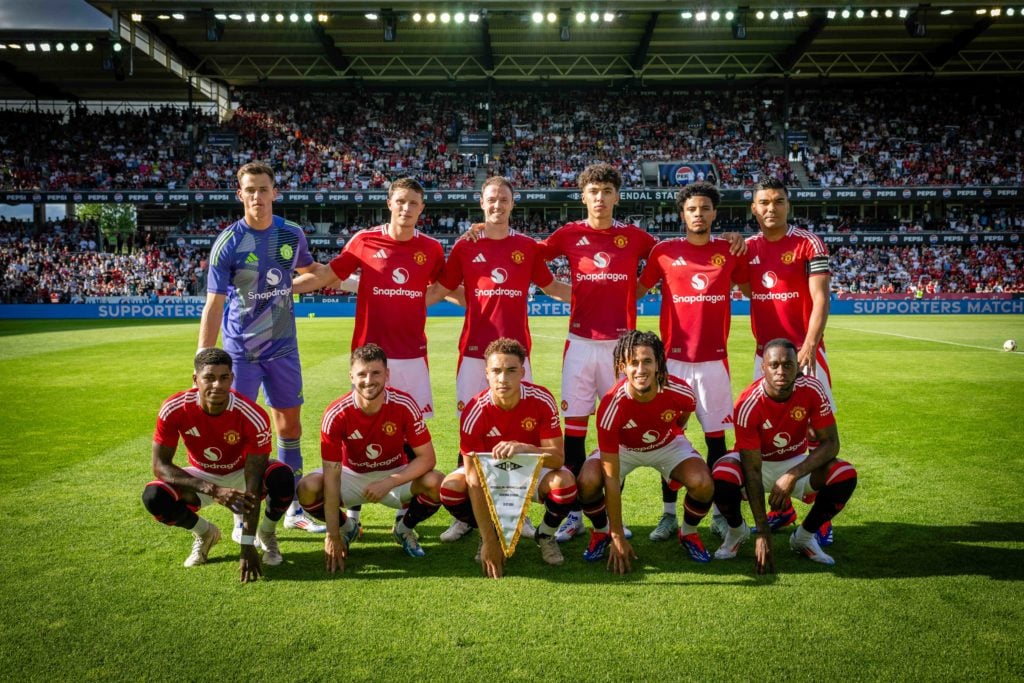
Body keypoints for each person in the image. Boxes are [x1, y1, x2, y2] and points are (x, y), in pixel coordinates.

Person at [293, 177, 446, 532]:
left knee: (409, 431)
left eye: (414, 203)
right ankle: (354, 508)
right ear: (389, 203)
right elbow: (329, 275)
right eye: (401, 201)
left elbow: (446, 286)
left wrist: (417, 300)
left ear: (422, 208)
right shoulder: (364, 240)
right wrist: (279, 288)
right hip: (369, 357)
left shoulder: (433, 249)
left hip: (411, 355)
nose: (406, 208)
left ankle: (401, 513)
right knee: (362, 424)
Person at [431, 176, 570, 543]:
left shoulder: (526, 247)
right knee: (470, 431)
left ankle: (516, 508)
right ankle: (468, 515)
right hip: (474, 355)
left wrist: (605, 295)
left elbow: (553, 287)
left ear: (512, 204)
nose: (497, 205)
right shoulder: (465, 246)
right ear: (481, 203)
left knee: (517, 431)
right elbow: (441, 289)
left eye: (503, 199)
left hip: (516, 357)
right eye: (491, 199)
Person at [198, 161, 325, 535]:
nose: (257, 196)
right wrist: (204, 363)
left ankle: (295, 509)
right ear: (240, 195)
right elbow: (214, 305)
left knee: (290, 427)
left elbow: (311, 272)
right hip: (241, 354)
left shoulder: (291, 233)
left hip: (284, 348)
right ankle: (243, 512)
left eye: (263, 189)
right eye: (249, 190)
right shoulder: (228, 242)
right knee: (241, 433)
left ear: (274, 192)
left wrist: (292, 286)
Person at [537, 163, 657, 543]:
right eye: (593, 191)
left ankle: (610, 514)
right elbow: (527, 256)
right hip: (580, 344)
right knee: (574, 432)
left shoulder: (635, 237)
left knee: (616, 432)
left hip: (621, 347)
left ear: (616, 196)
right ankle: (572, 513)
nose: (600, 198)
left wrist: (634, 292)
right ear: (583, 196)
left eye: (607, 191)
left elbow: (670, 257)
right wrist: (561, 291)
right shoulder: (569, 234)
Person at [637, 181, 749, 541]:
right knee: (670, 437)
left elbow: (753, 288)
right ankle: (669, 514)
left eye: (704, 208)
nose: (698, 214)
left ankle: (719, 513)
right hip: (674, 363)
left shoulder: (730, 251)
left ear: (714, 213)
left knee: (716, 441)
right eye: (691, 209)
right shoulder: (664, 252)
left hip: (714, 362)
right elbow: (635, 290)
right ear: (682, 213)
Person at [141, 348, 294, 581]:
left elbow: (252, 485)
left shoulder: (252, 414)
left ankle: (267, 534)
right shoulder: (174, 408)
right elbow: (160, 466)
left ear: (232, 379)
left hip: (241, 473)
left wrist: (246, 544)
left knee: (282, 477)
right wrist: (213, 490)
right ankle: (205, 534)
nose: (217, 385)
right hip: (201, 476)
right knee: (154, 496)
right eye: (209, 378)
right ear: (195, 380)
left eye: (224, 378)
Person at [710, 338, 857, 572]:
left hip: (796, 462)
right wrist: (763, 532)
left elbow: (831, 443)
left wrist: (792, 474)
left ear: (797, 367)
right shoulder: (748, 403)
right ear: (763, 368)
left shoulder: (812, 388)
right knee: (722, 476)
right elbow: (752, 468)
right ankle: (738, 532)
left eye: (788, 365)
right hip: (758, 463)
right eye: (774, 365)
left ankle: (804, 537)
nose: (781, 371)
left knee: (844, 475)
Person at [296, 343, 445, 572]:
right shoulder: (336, 413)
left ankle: (403, 530)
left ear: (387, 374)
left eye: (376, 373)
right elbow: (332, 474)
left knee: (436, 483)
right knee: (307, 487)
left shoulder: (404, 404)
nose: (369, 380)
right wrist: (333, 533)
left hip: (394, 476)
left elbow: (427, 458)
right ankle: (349, 529)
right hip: (351, 475)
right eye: (362, 374)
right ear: (351, 377)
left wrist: (389, 481)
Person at [577, 330, 715, 573]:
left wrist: (672, 437)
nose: (641, 370)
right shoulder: (612, 405)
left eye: (647, 361)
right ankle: (601, 532)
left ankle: (689, 533)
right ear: (623, 366)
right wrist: (617, 534)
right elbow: (610, 476)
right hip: (624, 448)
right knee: (588, 481)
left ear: (658, 364)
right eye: (633, 363)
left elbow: (682, 416)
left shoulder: (681, 391)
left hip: (667, 444)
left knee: (703, 483)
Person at [439, 338, 577, 578]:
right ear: (487, 374)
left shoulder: (541, 399)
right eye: (496, 371)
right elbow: (473, 479)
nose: (503, 379)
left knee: (564, 484)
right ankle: (487, 532)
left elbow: (557, 458)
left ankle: (544, 534)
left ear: (522, 372)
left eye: (511, 371)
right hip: (489, 474)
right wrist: (491, 541)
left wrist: (524, 447)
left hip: (530, 469)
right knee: (450, 489)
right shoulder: (475, 410)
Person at [742, 177, 834, 535]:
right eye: (763, 202)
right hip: (763, 356)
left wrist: (809, 344)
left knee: (816, 434)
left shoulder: (808, 243)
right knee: (764, 435)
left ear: (788, 205)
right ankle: (779, 511)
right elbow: (748, 288)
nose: (771, 208)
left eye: (778, 201)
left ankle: (819, 518)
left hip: (805, 354)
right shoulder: (748, 248)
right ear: (754, 207)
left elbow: (822, 297)